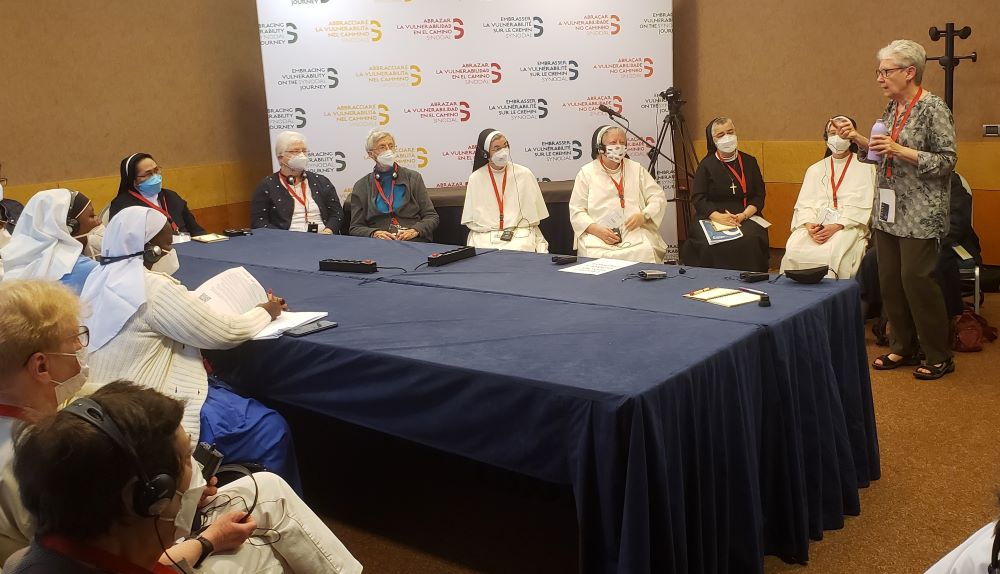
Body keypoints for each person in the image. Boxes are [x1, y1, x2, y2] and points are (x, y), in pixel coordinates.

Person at [0, 280, 362, 572]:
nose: (82, 349)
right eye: (74, 341)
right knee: (266, 551)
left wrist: (187, 494)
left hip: (144, 527)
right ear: (41, 367)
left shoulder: (43, 424)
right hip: (150, 545)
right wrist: (207, 538)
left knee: (266, 486)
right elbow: (104, 553)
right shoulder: (24, 461)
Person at [79, 207, 304, 491]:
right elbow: (224, 333)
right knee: (270, 427)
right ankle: (268, 512)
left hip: (111, 405)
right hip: (154, 405)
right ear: (151, 251)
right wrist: (265, 311)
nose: (172, 252)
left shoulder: (96, 279)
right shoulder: (152, 287)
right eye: (168, 245)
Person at [835, 39, 957, 380]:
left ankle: (938, 354)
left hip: (921, 212)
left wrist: (901, 150)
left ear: (909, 72)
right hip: (888, 209)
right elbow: (881, 153)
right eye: (879, 71)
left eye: (886, 71)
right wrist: (858, 138)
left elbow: (947, 162)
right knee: (889, 280)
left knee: (916, 280)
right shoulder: (892, 110)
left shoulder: (934, 108)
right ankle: (902, 346)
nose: (879, 78)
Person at [858, 172, 981, 328]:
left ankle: (936, 324)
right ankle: (864, 318)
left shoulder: (949, 180)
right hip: (900, 241)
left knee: (933, 262)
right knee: (872, 258)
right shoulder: (895, 181)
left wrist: (923, 240)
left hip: (941, 241)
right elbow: (881, 219)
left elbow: (958, 222)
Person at [780, 116, 876, 279]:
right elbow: (804, 205)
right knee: (794, 248)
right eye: (832, 133)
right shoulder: (814, 169)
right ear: (826, 138)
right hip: (816, 226)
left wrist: (837, 225)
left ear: (851, 137)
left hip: (846, 225)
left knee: (834, 251)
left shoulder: (866, 167)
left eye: (842, 133)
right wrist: (810, 226)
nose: (837, 138)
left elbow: (865, 205)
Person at [568, 125, 667, 263]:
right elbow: (577, 210)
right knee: (594, 256)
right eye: (613, 143)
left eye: (622, 142)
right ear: (600, 147)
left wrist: (644, 216)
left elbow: (658, 197)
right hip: (599, 234)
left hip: (633, 230)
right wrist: (596, 230)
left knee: (645, 251)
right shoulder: (586, 173)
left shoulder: (636, 169)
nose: (619, 146)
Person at [682, 117, 770, 272]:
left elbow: (759, 195)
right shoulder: (706, 165)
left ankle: (752, 280)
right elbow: (698, 198)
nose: (727, 137)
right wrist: (717, 216)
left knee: (750, 239)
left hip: (745, 216)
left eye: (730, 132)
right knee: (708, 242)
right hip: (711, 216)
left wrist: (743, 215)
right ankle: (711, 281)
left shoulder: (750, 162)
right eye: (720, 135)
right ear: (713, 140)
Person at [462, 129, 549, 253]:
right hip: (486, 233)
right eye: (496, 148)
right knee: (484, 251)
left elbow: (533, 219)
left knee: (520, 249)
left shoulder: (524, 174)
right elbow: (473, 222)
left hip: (518, 231)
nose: (503, 151)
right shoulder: (476, 178)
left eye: (505, 146)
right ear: (485, 153)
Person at [0, 189, 100, 294]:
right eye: (92, 216)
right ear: (70, 227)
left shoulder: (12, 263)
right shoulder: (88, 270)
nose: (99, 221)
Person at [350, 128, 439, 241]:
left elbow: (432, 217)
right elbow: (355, 227)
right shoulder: (361, 186)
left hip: (413, 241)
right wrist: (374, 233)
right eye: (382, 147)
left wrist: (415, 230)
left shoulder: (413, 178)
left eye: (391, 146)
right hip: (379, 244)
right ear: (371, 154)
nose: (388, 150)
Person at [250, 130, 344, 234]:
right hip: (287, 241)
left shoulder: (321, 181)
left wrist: (329, 230)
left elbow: (337, 213)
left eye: (304, 151)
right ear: (280, 158)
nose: (302, 155)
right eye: (295, 151)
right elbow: (259, 222)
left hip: (324, 237)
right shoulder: (266, 186)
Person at [109, 152, 206, 237]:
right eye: (148, 174)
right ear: (133, 180)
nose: (155, 176)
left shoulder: (171, 196)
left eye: (156, 170)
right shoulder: (122, 206)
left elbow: (197, 231)